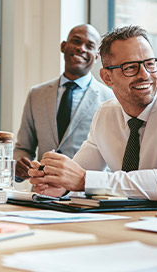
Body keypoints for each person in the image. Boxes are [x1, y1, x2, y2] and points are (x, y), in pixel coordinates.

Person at [28, 25, 157, 204]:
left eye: (149, 64)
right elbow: (78, 175)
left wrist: (83, 180)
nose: (145, 75)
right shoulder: (106, 115)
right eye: (131, 67)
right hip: (139, 224)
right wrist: (60, 184)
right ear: (107, 77)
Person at [13, 24, 112, 179]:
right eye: (76, 41)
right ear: (63, 46)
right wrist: (18, 163)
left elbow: (113, 158)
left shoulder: (110, 99)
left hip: (84, 197)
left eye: (89, 46)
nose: (81, 48)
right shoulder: (36, 95)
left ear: (97, 56)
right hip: (41, 193)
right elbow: (23, 147)